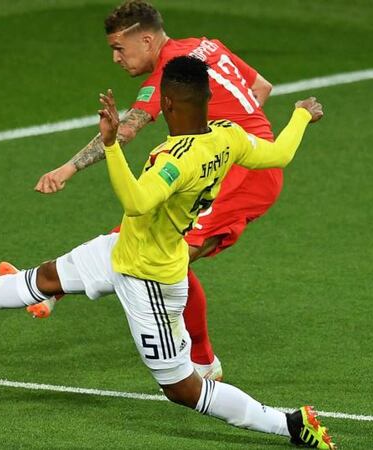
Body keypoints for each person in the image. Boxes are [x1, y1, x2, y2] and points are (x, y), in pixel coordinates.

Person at [0, 56, 333, 448]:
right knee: (47, 278)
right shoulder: (229, 136)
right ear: (207, 99)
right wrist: (299, 115)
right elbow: (278, 153)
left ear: (167, 103)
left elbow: (137, 201)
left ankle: (292, 424)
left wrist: (111, 144)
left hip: (149, 278)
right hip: (124, 249)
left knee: (183, 390)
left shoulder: (176, 159)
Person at [23, 0, 285, 380]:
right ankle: (55, 286)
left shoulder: (169, 70)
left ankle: (203, 362)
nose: (116, 58)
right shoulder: (206, 46)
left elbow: (126, 129)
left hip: (245, 174)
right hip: (242, 163)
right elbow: (261, 87)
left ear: (146, 40)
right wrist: (221, 143)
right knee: (148, 234)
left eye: (118, 48)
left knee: (167, 252)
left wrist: (67, 168)